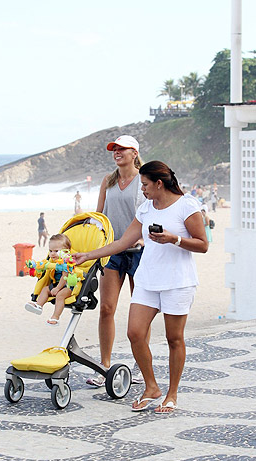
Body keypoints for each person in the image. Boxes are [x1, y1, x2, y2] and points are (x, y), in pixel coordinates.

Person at [74, 160, 208, 413]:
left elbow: (202, 244)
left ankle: (171, 394)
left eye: (145, 185)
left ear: (159, 183)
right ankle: (151, 387)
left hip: (178, 282)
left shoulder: (187, 205)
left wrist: (173, 238)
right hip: (148, 279)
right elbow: (123, 241)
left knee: (174, 338)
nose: (142, 189)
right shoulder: (146, 209)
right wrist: (89, 255)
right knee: (135, 333)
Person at [86, 134, 146, 387]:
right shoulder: (108, 181)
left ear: (134, 153)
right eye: (114, 149)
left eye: (122, 149)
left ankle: (141, 367)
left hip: (139, 252)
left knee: (139, 312)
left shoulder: (144, 180)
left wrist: (144, 240)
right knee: (106, 309)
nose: (117, 152)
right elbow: (99, 216)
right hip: (111, 252)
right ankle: (105, 367)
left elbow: (153, 212)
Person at [25, 234, 73, 326]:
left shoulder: (67, 262)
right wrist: (36, 268)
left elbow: (64, 277)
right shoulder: (52, 261)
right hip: (56, 284)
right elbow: (43, 266)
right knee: (45, 289)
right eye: (50, 251)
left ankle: (55, 317)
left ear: (66, 251)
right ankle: (39, 305)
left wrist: (58, 288)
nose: (52, 253)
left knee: (60, 296)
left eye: (56, 251)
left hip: (68, 286)